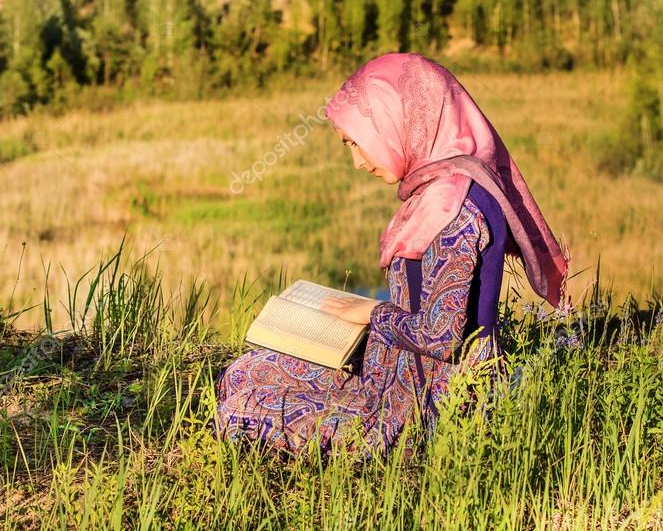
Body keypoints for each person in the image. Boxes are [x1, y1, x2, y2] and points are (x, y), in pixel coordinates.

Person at [213, 52, 569, 459]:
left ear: (399, 122)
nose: (357, 162)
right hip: (396, 376)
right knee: (249, 370)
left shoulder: (455, 206)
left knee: (245, 400)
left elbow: (441, 336)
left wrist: (371, 315)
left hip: (429, 405)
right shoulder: (440, 191)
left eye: (357, 143)